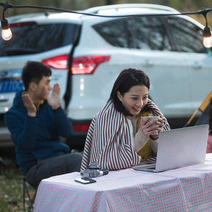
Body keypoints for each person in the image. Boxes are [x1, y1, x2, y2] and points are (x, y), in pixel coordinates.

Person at [5, 61, 82, 189]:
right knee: (76, 160)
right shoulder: (13, 115)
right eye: (46, 82)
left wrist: (56, 107)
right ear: (33, 86)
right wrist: (31, 115)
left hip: (59, 158)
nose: (50, 87)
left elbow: (67, 132)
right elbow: (26, 144)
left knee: (92, 157)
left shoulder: (48, 106)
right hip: (35, 167)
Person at [80, 68, 171, 171]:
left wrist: (155, 137)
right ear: (120, 95)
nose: (140, 103)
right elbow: (104, 163)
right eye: (134, 98)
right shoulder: (106, 118)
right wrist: (141, 137)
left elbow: (168, 156)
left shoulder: (151, 113)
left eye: (145, 97)